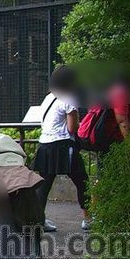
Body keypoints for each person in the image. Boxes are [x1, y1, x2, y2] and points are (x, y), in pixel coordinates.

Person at [32, 66, 89, 232]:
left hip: (45, 145)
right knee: (82, 181)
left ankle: (38, 222)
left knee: (43, 186)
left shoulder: (49, 98)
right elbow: (72, 129)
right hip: (63, 145)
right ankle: (88, 219)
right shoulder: (69, 99)